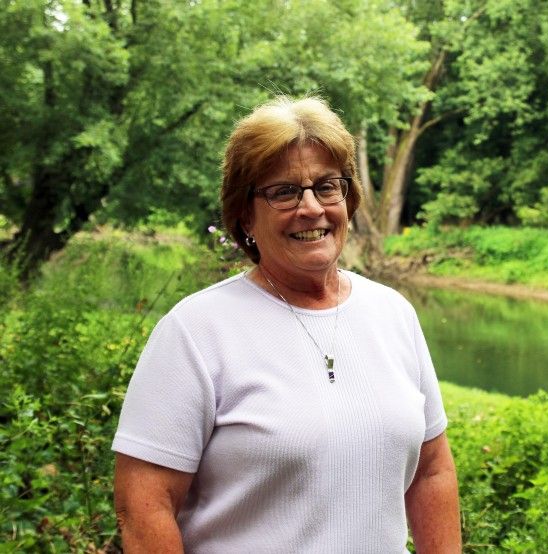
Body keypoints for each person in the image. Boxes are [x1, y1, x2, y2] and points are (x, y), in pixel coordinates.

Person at [112, 95, 461, 553]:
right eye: (284, 192)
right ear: (244, 215)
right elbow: (143, 507)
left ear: (348, 199)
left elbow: (433, 470)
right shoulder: (196, 332)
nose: (311, 208)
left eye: (327, 186)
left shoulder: (392, 313)